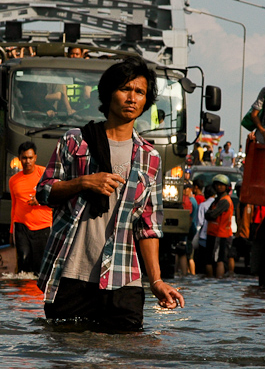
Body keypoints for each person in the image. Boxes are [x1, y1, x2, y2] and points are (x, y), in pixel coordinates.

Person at [36, 56, 184, 330]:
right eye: (125, 89)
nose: (132, 98)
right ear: (108, 94)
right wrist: (82, 183)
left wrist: (157, 282)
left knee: (125, 365)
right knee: (65, 363)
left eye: (139, 92)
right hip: (72, 275)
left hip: (124, 280)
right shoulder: (76, 142)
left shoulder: (150, 157)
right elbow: (44, 192)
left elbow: (148, 227)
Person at [9, 141, 53, 273]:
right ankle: (22, 291)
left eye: (30, 158)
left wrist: (40, 200)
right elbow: (13, 205)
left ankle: (35, 293)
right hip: (21, 226)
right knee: (23, 260)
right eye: (24, 158)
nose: (27, 161)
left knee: (39, 266)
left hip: (43, 225)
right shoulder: (13, 180)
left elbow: (56, 197)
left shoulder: (45, 175)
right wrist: (11, 231)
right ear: (19, 158)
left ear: (35, 158)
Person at [204, 174, 234, 278]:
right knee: (209, 259)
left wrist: (209, 214)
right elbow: (208, 214)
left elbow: (211, 214)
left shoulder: (225, 201)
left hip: (220, 234)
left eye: (222, 185)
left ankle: (217, 281)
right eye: (217, 185)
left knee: (219, 260)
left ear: (227, 187)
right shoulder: (217, 200)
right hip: (213, 233)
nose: (219, 187)